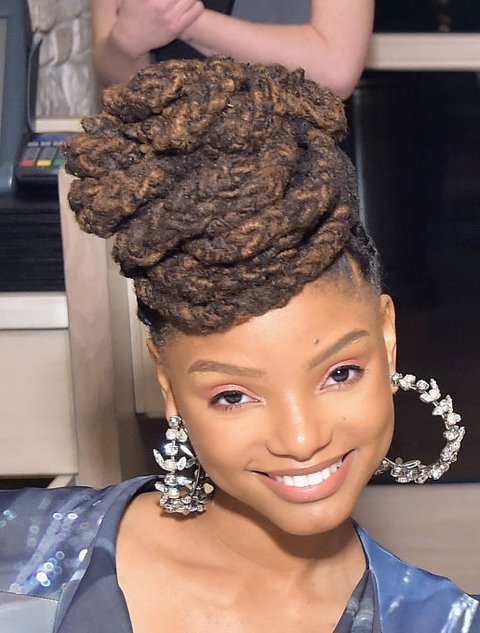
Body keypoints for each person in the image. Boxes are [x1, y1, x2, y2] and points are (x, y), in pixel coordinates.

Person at [0, 57, 477, 632]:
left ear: (387, 337)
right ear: (169, 386)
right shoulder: (18, 557)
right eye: (233, 395)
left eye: (339, 373)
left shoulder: (441, 623)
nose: (301, 440)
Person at [91, 0, 374, 98]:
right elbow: (113, 75)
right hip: (163, 173)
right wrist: (125, 43)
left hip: (284, 174)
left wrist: (184, 21)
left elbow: (335, 68)